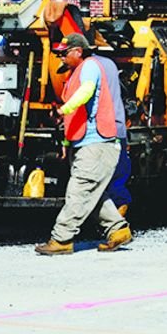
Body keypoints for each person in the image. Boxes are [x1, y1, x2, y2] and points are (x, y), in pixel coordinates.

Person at [35, 34, 131, 255]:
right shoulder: (77, 71)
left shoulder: (89, 66)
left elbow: (86, 93)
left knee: (79, 191)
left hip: (97, 142)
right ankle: (117, 230)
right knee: (92, 191)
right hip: (88, 141)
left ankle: (61, 239)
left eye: (63, 53)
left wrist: (62, 109)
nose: (60, 58)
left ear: (78, 51)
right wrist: (67, 143)